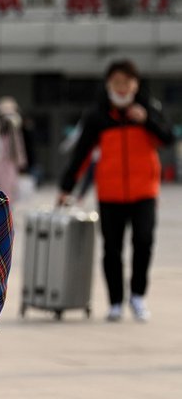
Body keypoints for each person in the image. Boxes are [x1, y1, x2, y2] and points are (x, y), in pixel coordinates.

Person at [58, 59, 174, 322]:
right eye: (117, 82)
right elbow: (82, 154)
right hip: (110, 193)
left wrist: (147, 121)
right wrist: (66, 187)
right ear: (108, 84)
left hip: (145, 191)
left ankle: (138, 296)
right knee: (112, 249)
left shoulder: (149, 109)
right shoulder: (97, 115)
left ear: (136, 84)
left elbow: (168, 139)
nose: (122, 88)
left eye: (127, 82)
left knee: (143, 242)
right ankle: (115, 302)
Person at [0, 96, 28, 200]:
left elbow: (18, 145)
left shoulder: (13, 129)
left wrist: (21, 161)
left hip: (9, 162)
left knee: (9, 189)